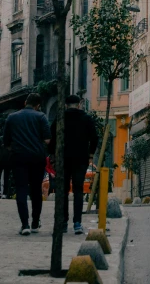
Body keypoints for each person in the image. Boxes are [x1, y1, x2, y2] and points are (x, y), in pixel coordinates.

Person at [49, 94, 98, 235]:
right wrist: (90, 154)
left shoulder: (60, 118)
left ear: (65, 105)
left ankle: (63, 222)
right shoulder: (86, 118)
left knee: (63, 191)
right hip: (81, 159)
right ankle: (77, 223)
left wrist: (52, 154)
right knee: (78, 190)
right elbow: (94, 138)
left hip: (63, 159)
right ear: (79, 104)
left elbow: (52, 137)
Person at [3, 93, 51, 235]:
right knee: (36, 190)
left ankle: (25, 224)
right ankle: (35, 223)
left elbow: (6, 142)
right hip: (37, 157)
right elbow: (48, 140)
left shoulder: (12, 117)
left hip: (18, 158)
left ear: (25, 102)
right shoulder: (41, 117)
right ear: (38, 106)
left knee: (21, 189)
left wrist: (16, 148)